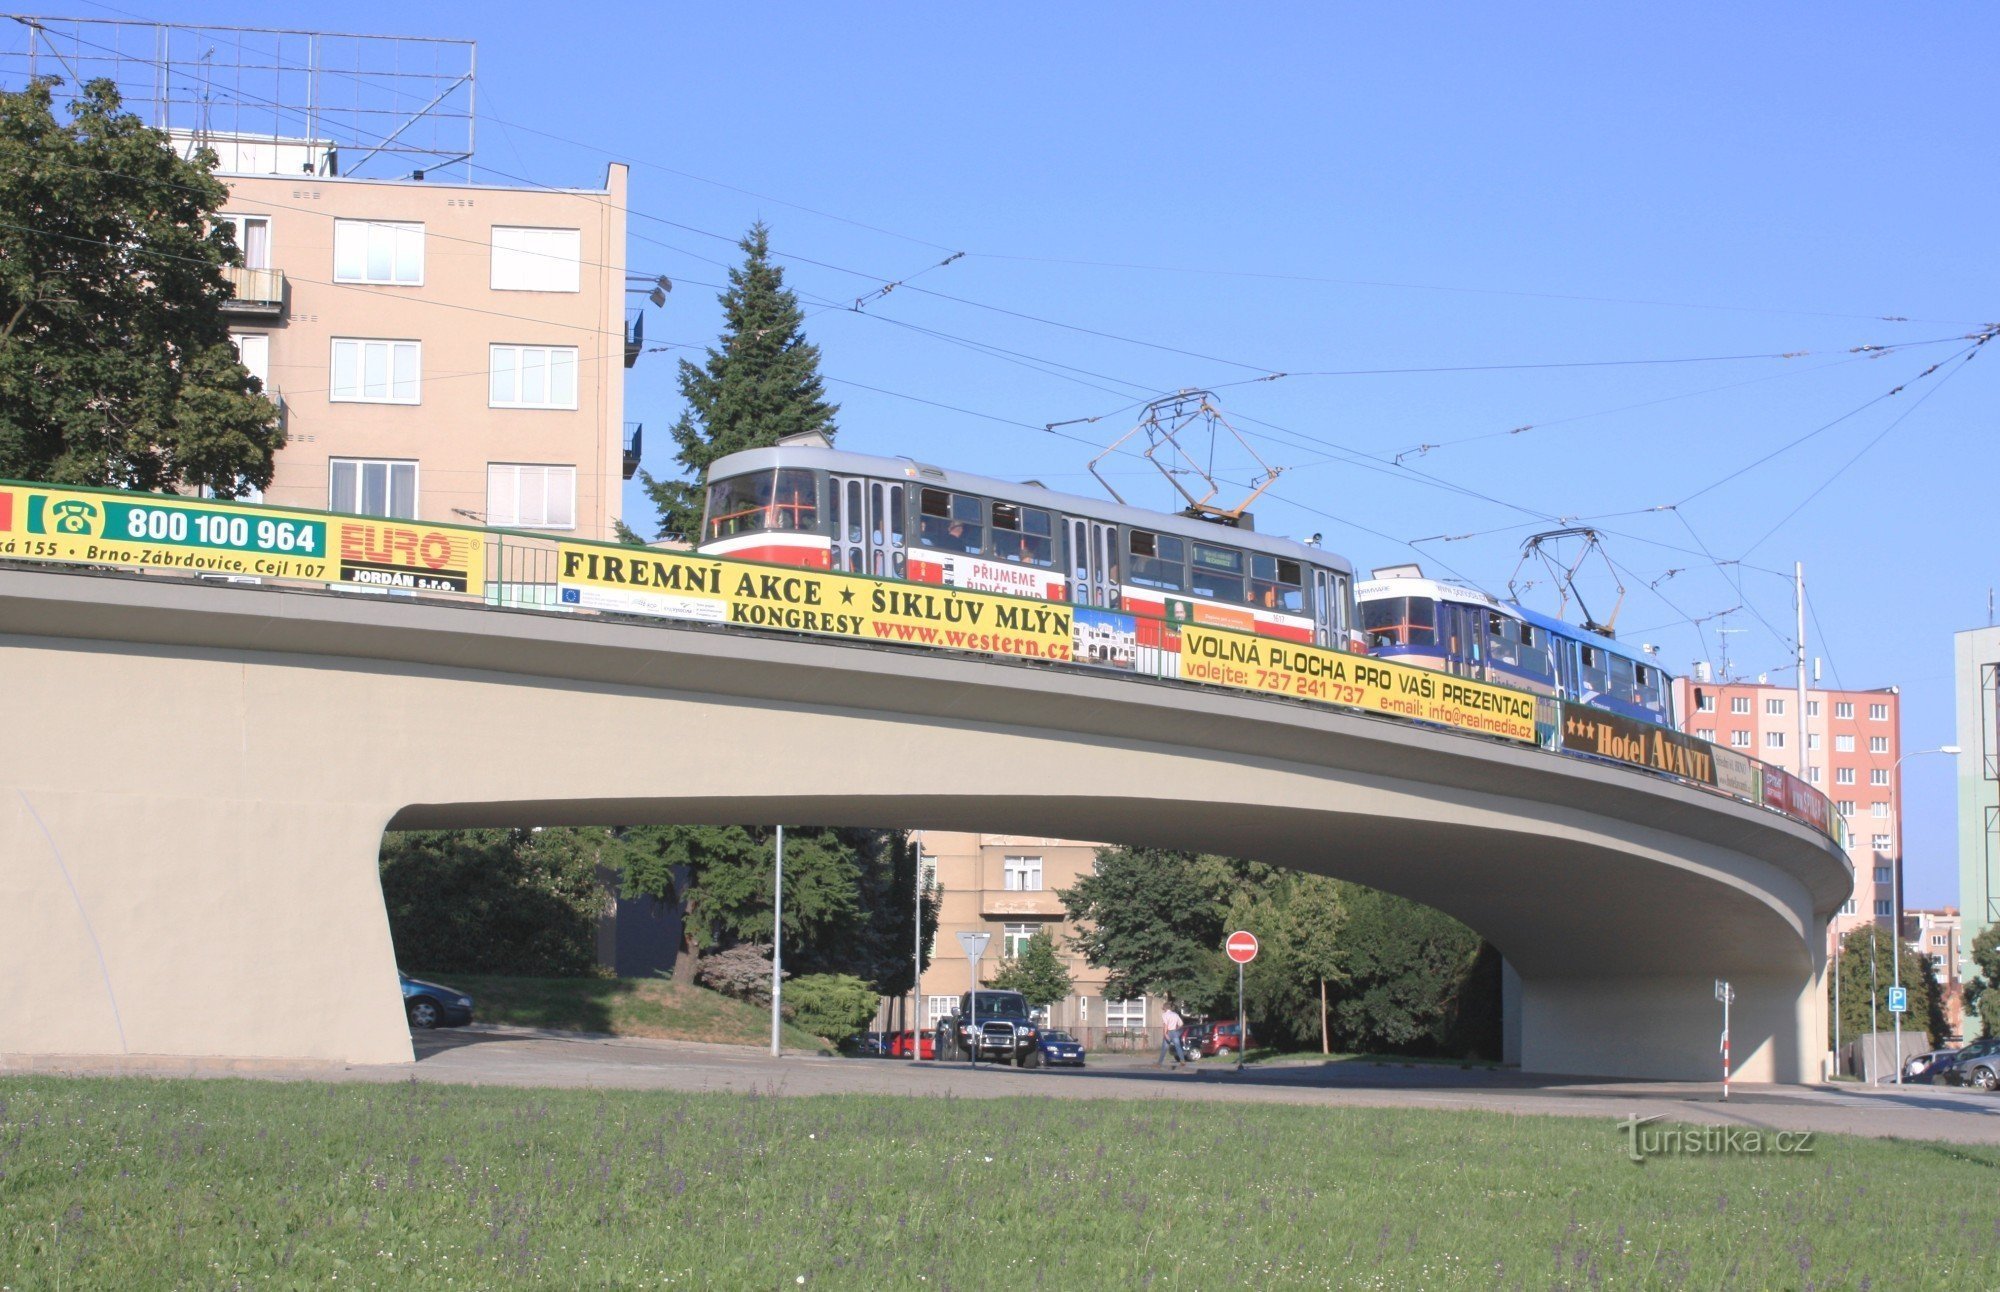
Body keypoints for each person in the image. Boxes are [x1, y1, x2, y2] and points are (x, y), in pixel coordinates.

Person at [1156, 1001, 1185, 1069]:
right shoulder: (1175, 1014)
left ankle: (1159, 1063)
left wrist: (1165, 1033)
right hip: (1175, 1032)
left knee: (1164, 1048)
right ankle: (1182, 1060)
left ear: (1165, 1008)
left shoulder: (1164, 1015)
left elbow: (1165, 1024)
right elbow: (1181, 1024)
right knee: (1178, 1046)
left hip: (1168, 1032)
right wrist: (1176, 1028)